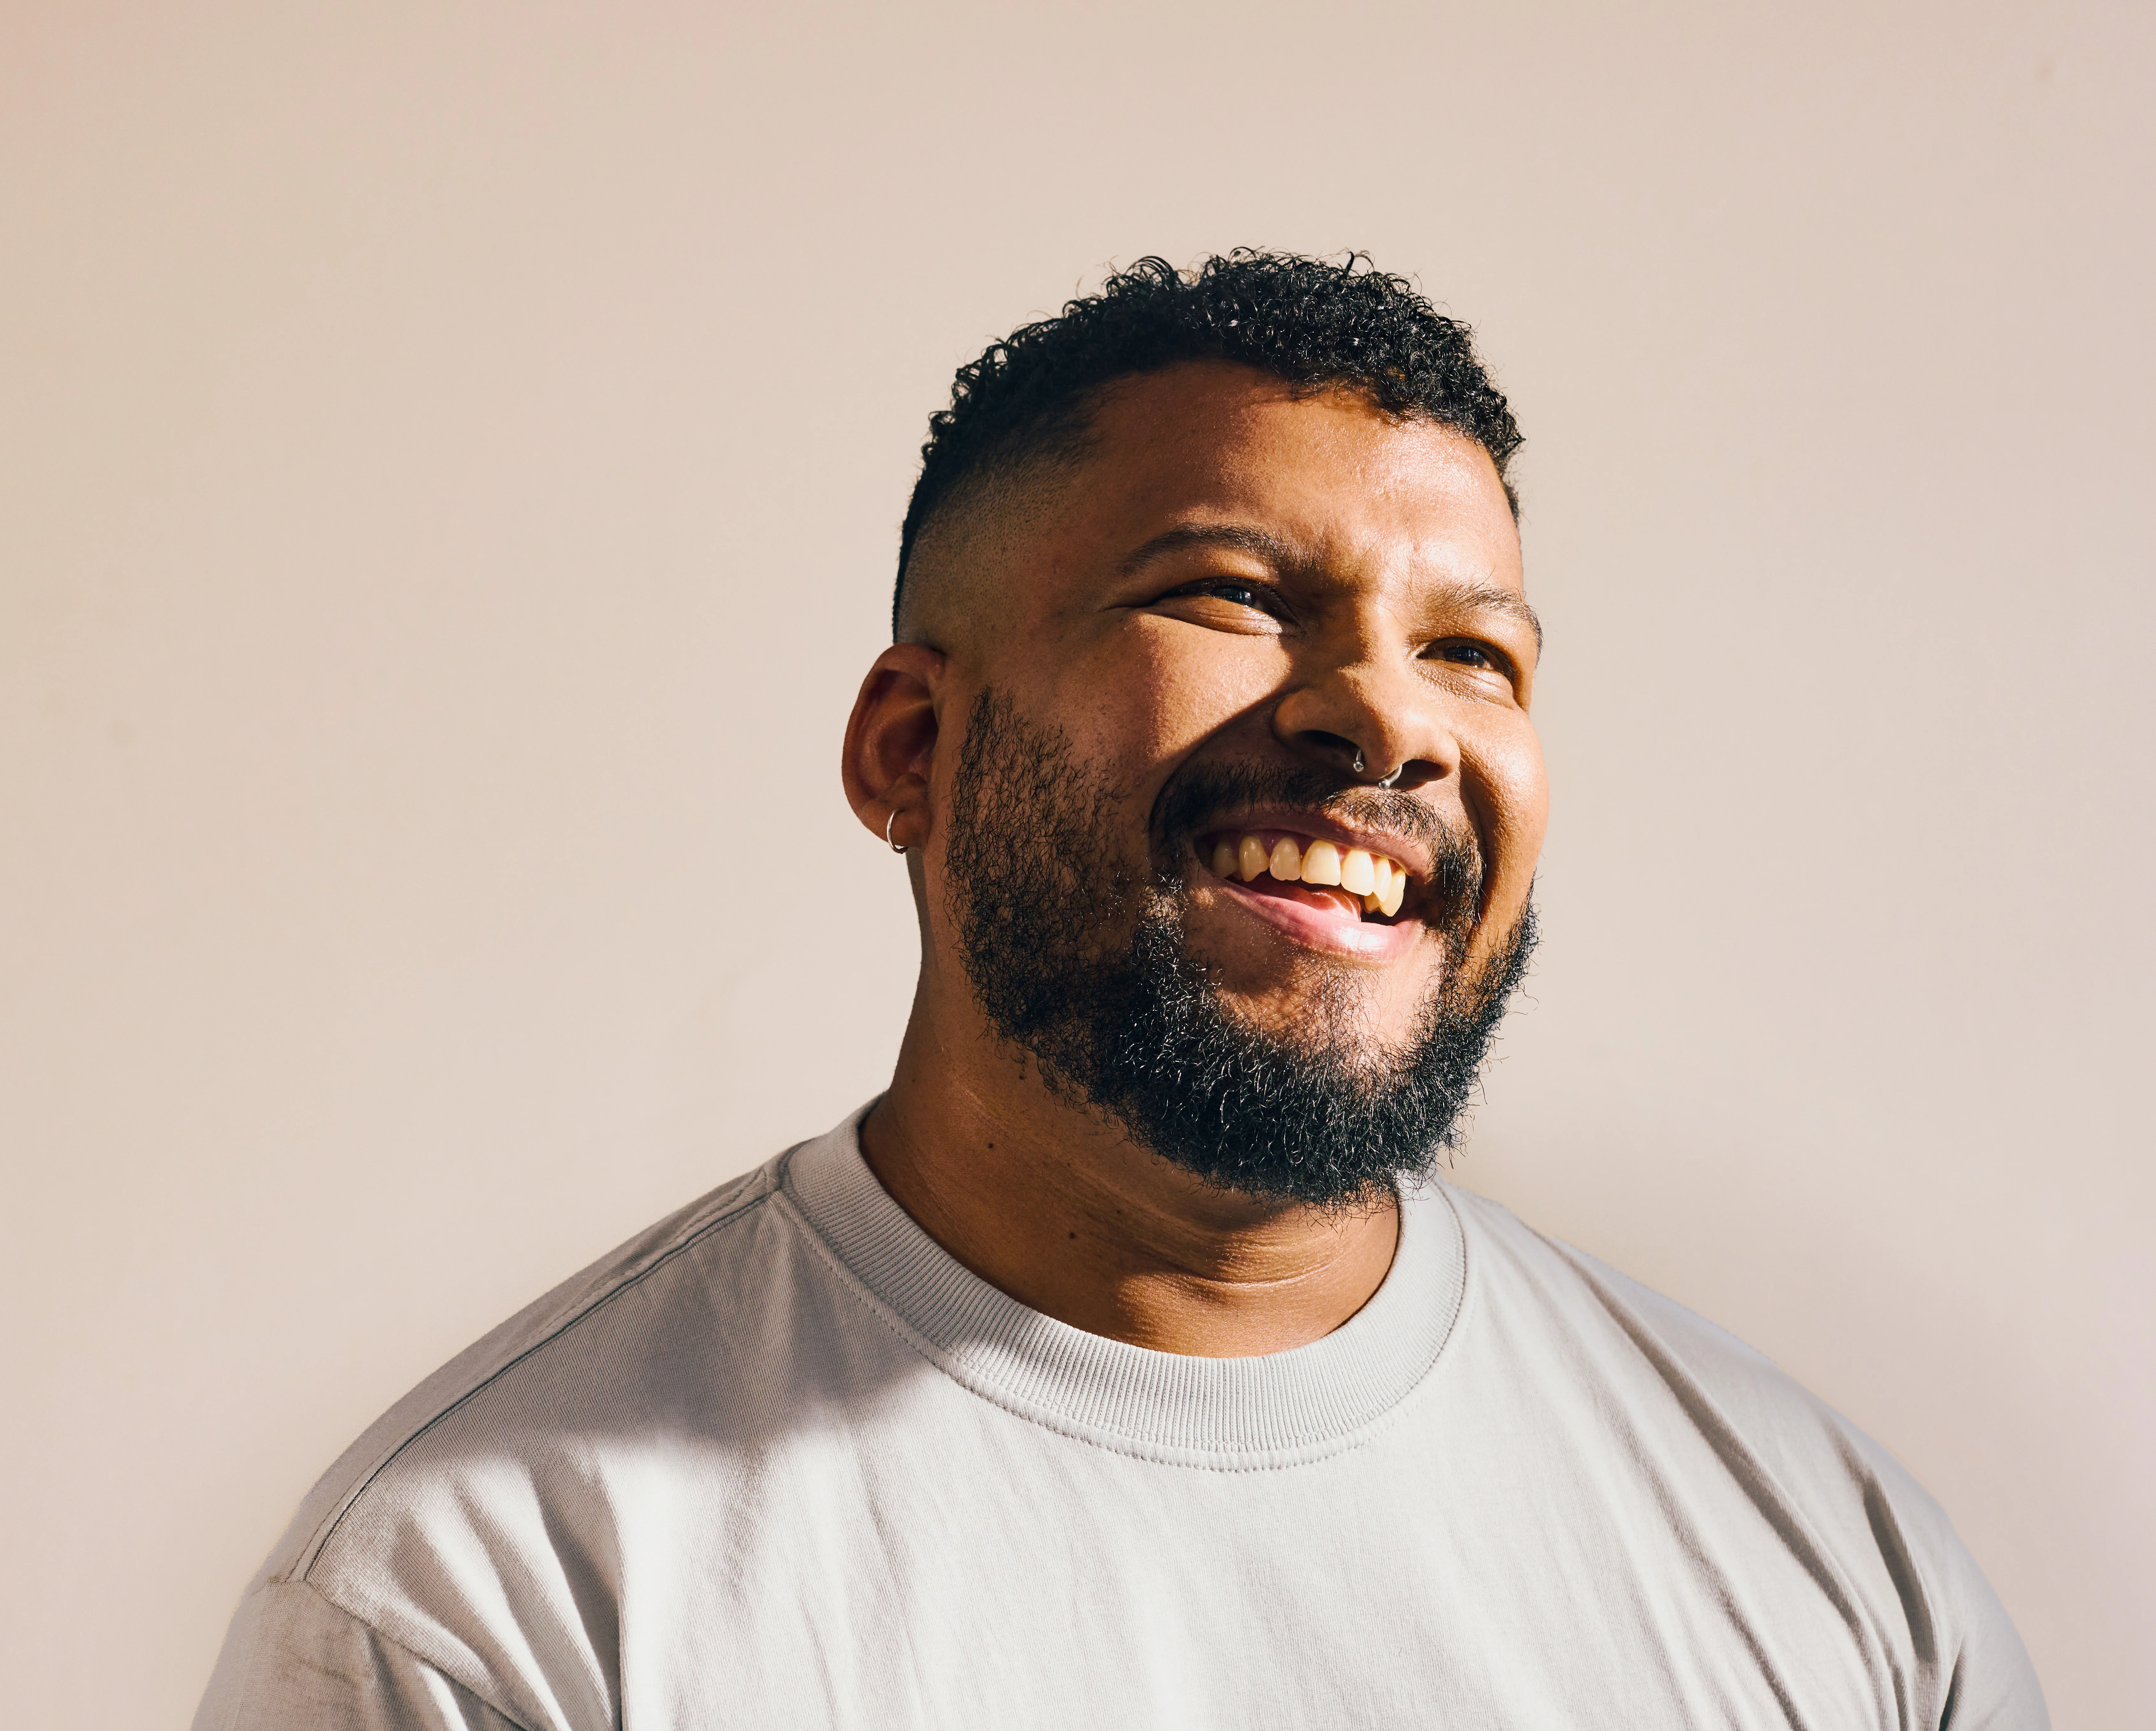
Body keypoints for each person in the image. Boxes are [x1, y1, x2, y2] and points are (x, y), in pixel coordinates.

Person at [194, 252, 2045, 1729]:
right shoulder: (485, 1598)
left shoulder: (1835, 1561)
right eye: (1233, 595)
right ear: (912, 747)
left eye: (1474, 651)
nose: (1390, 713)